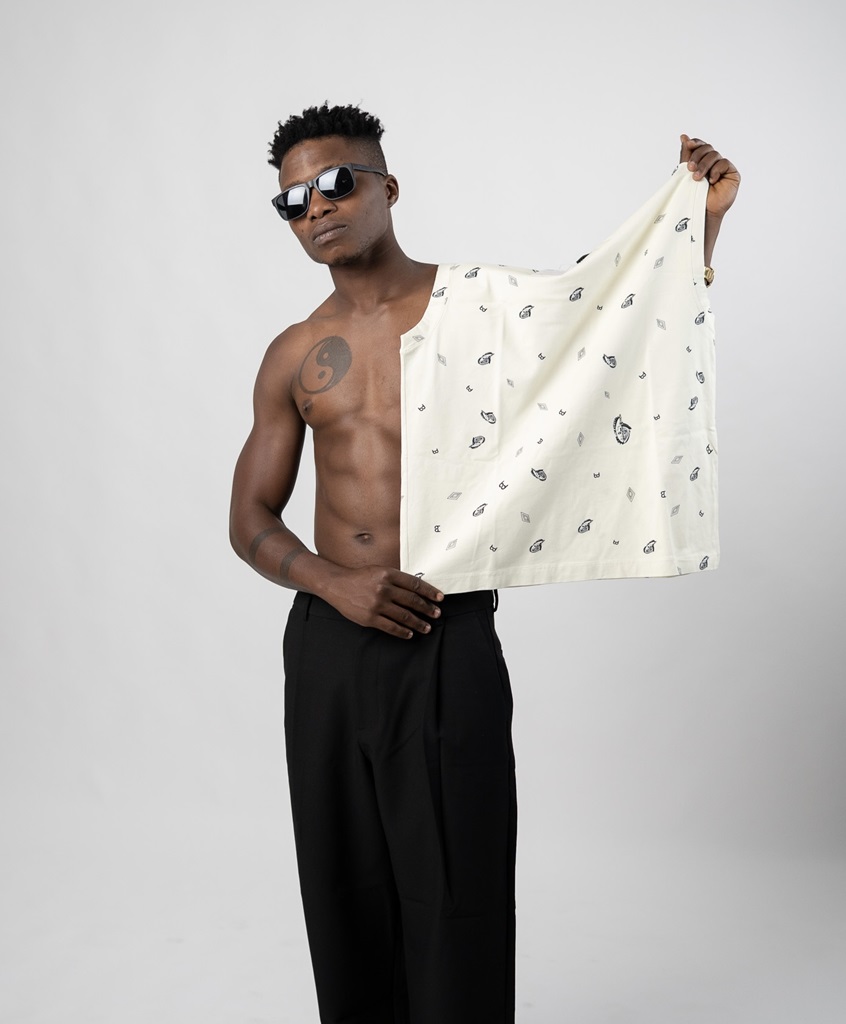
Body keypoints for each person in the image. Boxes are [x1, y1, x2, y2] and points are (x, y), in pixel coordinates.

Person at [229, 103, 740, 1024]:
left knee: (456, 884)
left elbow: (608, 328)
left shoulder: (484, 306)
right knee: (342, 882)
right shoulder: (293, 354)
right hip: (327, 644)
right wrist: (334, 584)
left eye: (336, 183)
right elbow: (248, 518)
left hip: (443, 629)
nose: (317, 208)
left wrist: (697, 225)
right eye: (293, 201)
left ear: (388, 187)